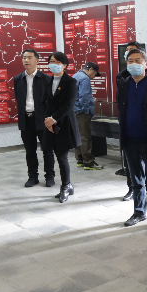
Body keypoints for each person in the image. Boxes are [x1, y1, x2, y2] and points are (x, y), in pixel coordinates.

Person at [117, 49, 147, 230]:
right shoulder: (124, 84)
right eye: (130, 61)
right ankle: (139, 212)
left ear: (146, 63)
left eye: (138, 60)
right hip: (129, 139)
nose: (133, 64)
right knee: (136, 180)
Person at [43, 52, 81, 203]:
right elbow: (44, 102)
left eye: (58, 62)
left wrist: (53, 119)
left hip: (64, 124)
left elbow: (69, 105)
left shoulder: (70, 82)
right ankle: (67, 185)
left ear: (65, 65)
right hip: (49, 124)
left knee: (62, 157)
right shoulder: (47, 81)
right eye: (51, 61)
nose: (54, 64)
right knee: (50, 152)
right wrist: (47, 121)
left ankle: (65, 186)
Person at [13, 49, 55, 187]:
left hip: (43, 119)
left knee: (47, 150)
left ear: (37, 61)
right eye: (24, 57)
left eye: (29, 57)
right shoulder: (18, 79)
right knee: (30, 151)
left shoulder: (46, 79)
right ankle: (32, 176)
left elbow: (51, 101)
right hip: (26, 119)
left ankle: (49, 176)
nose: (26, 60)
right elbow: (19, 100)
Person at [73, 62, 102, 170]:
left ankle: (80, 159)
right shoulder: (85, 78)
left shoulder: (75, 75)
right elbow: (84, 97)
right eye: (95, 74)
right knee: (85, 137)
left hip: (74, 111)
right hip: (81, 112)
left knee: (78, 136)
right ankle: (88, 162)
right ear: (91, 69)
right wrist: (86, 111)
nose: (94, 77)